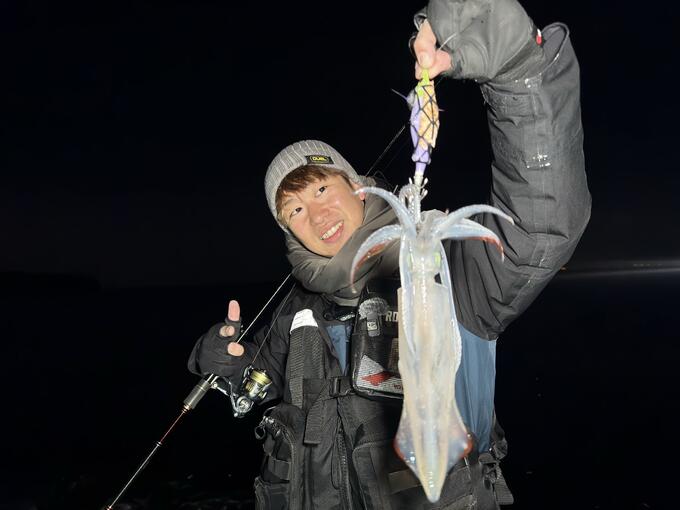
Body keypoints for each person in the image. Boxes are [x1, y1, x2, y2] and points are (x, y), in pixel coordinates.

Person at [188, 0, 591, 508]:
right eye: (294, 210)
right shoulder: (296, 312)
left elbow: (541, 226)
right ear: (287, 231)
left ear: (358, 187)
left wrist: (517, 68)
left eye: (322, 189)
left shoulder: (454, 271)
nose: (317, 214)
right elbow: (255, 386)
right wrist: (222, 363)